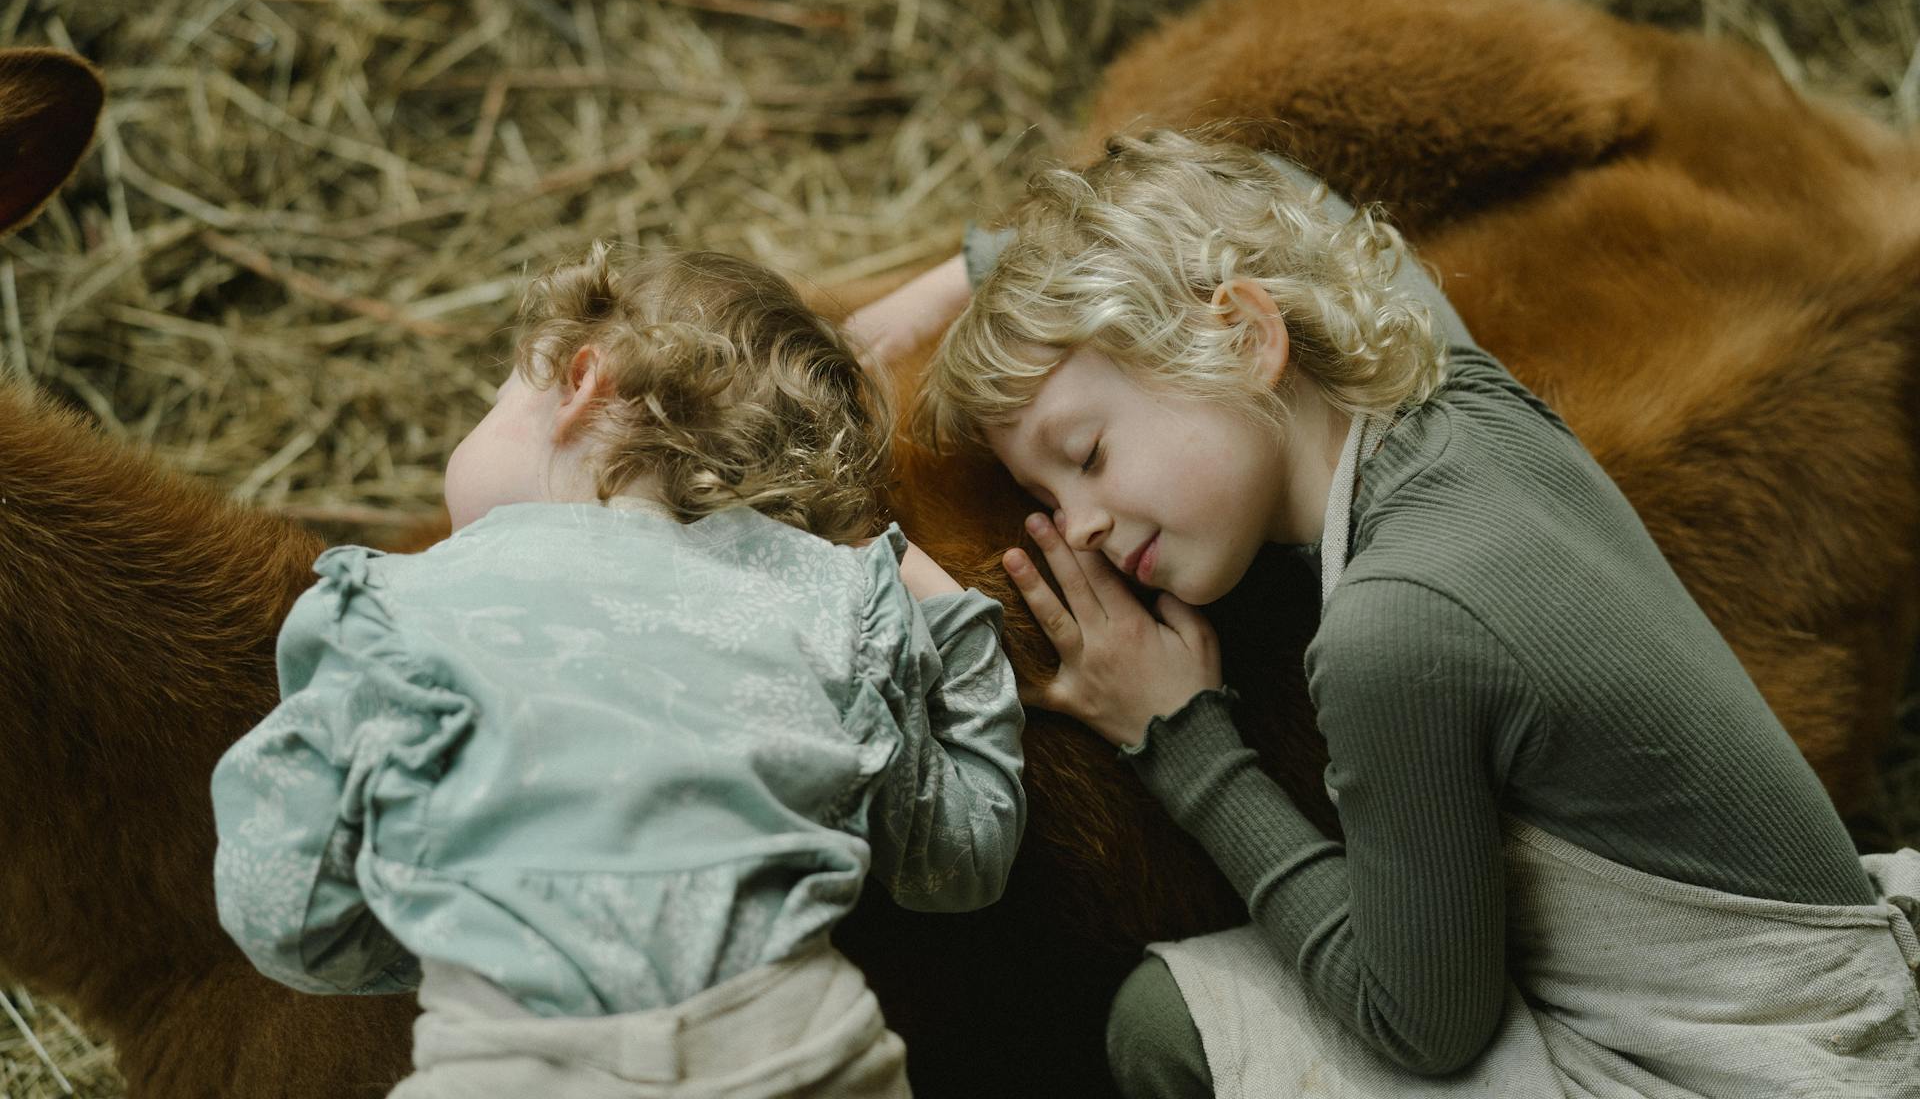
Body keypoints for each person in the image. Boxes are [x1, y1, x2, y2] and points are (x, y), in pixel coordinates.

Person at [896, 129, 1920, 1098]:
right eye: (1049, 499)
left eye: (1087, 456)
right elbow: (1275, 176)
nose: (1075, 527)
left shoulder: (1393, 627)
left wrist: (1178, 734)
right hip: (1836, 983)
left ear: (1250, 335)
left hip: (1749, 1063)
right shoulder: (1458, 389)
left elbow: (1423, 1022)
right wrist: (996, 271)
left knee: (1163, 1025)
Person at [210, 244, 1026, 1099]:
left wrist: (455, 918)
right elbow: (964, 859)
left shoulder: (391, 611)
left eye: (495, 401)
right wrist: (945, 608)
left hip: (518, 1073)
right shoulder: (833, 599)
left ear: (582, 383)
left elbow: (281, 907)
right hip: (804, 1060)